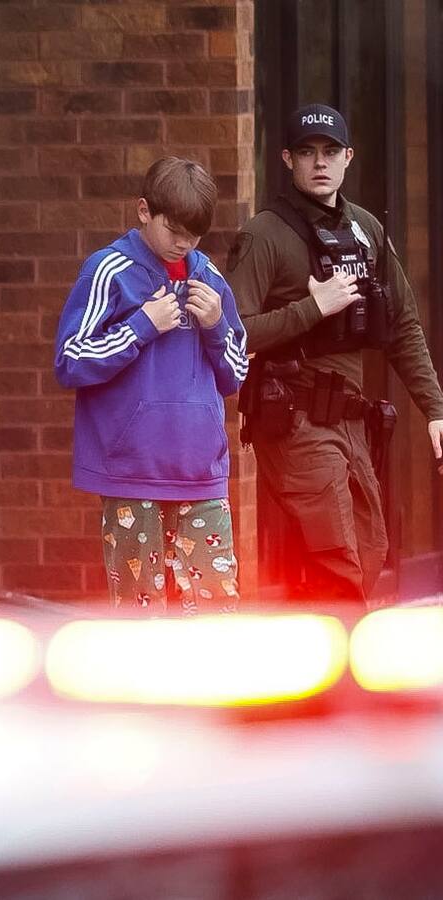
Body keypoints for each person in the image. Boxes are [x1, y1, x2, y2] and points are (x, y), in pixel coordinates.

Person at [225, 104, 443, 604]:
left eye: (330, 151)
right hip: (294, 418)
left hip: (350, 420)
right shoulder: (264, 234)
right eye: (306, 152)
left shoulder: (366, 230)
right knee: (337, 556)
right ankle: (337, 652)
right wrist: (313, 308)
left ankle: (320, 646)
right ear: (287, 159)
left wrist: (435, 409)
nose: (319, 162)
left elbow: (403, 324)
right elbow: (233, 334)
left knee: (370, 547)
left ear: (348, 157)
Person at [54, 157, 249, 614]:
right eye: (174, 230)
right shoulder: (109, 269)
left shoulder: (210, 279)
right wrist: (141, 326)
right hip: (132, 475)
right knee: (141, 615)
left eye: (194, 235)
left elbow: (235, 373)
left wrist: (216, 326)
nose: (183, 244)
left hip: (201, 475)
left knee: (218, 611)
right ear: (144, 211)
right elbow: (70, 360)